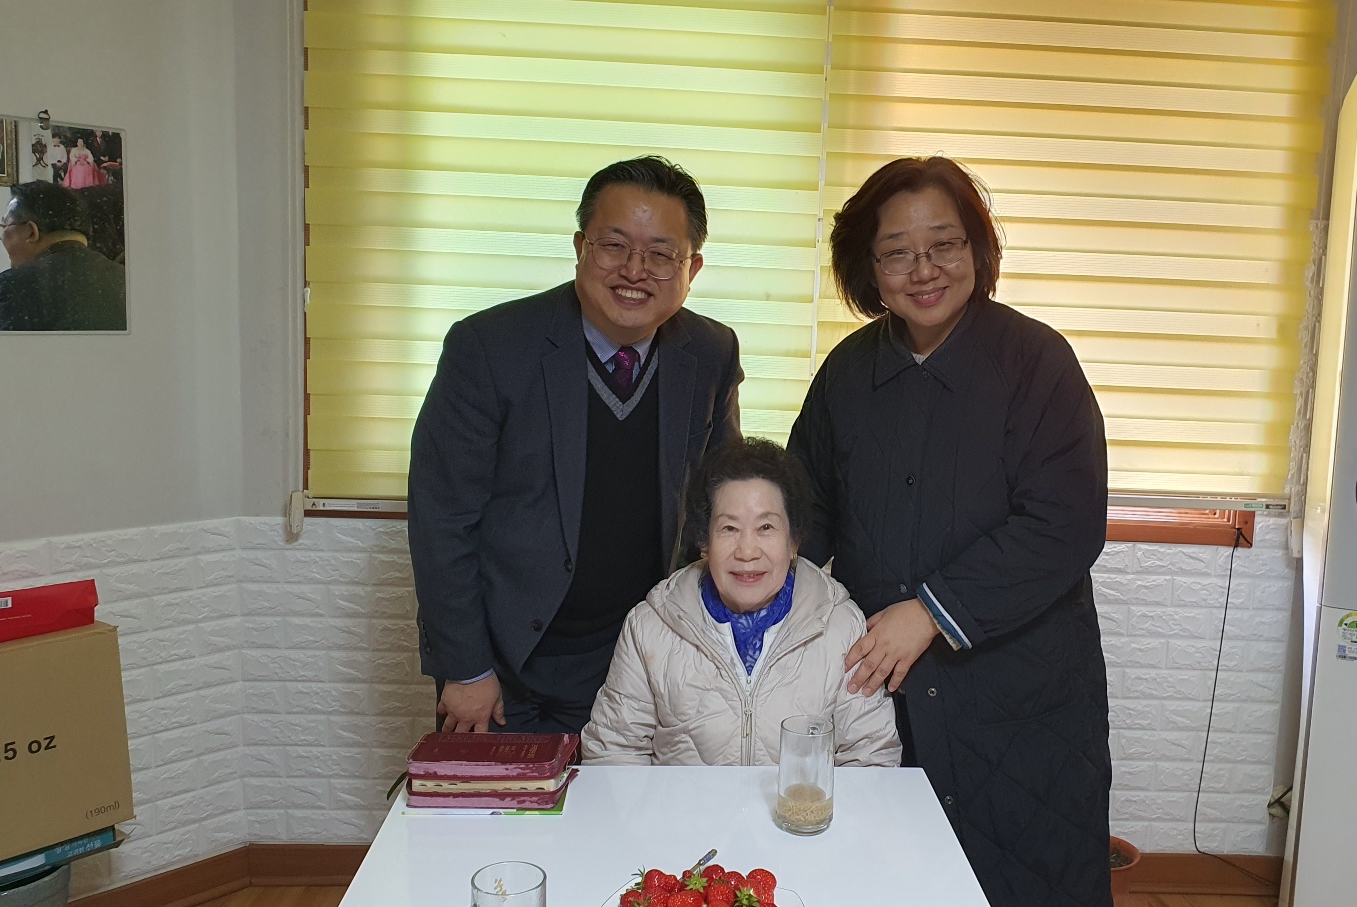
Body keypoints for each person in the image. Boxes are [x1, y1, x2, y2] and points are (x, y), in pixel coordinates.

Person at [788, 156, 1112, 906]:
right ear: (869, 268)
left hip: (1018, 691)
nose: (923, 269)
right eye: (897, 252)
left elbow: (1064, 523)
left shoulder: (1037, 361)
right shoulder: (847, 372)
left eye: (944, 243)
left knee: (1025, 876)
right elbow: (807, 511)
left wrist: (932, 611)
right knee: (886, 878)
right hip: (887, 688)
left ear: (978, 247)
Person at [410, 156, 743, 736]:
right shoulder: (489, 348)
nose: (634, 270)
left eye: (661, 254)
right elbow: (442, 518)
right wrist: (465, 669)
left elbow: (720, 503)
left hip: (637, 658)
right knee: (495, 797)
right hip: (504, 662)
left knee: (634, 797)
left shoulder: (710, 352)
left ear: (692, 268)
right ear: (579, 247)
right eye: (613, 245)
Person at [582, 438, 901, 767]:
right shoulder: (649, 627)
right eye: (729, 528)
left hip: (800, 804)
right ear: (705, 542)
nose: (747, 551)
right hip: (681, 805)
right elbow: (613, 753)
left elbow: (870, 757)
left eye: (766, 527)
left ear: (793, 541)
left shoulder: (841, 626)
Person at [0, 181, 127, 332]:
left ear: (32, 232)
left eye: (4, 226)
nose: (3, 238)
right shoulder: (126, 280)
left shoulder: (10, 287)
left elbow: (3, 348)